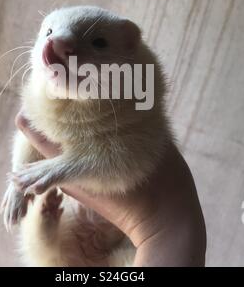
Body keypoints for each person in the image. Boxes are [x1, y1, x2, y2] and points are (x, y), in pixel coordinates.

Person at [15, 113, 207, 267]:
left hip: (76, 226)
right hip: (117, 238)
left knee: (45, 252)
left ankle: (44, 218)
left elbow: (40, 253)